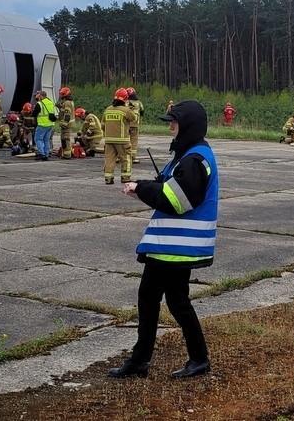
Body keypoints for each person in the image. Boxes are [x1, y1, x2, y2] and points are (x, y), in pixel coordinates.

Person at [108, 99, 217, 380]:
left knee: (168, 301)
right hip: (171, 246)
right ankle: (146, 361)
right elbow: (170, 187)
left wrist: (141, 187)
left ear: (188, 125)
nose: (170, 126)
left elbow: (176, 200)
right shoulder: (189, 155)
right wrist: (146, 187)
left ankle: (186, 359)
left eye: (174, 122)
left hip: (177, 247)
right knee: (161, 299)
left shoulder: (194, 159)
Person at [101, 88, 135, 184]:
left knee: (109, 159)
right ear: (125, 99)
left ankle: (108, 178)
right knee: (126, 159)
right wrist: (130, 108)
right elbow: (133, 118)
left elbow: (103, 125)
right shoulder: (125, 110)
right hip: (122, 140)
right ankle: (125, 177)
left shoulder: (107, 110)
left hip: (109, 140)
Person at [31, 90, 56, 160]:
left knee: (38, 139)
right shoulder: (51, 102)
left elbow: (34, 114)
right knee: (46, 140)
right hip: (50, 124)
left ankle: (42, 154)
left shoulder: (39, 104)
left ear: (41, 96)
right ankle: (46, 154)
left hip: (42, 124)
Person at [56, 86, 75, 159]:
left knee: (65, 139)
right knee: (64, 139)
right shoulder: (68, 102)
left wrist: (64, 123)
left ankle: (67, 155)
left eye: (61, 94)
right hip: (68, 124)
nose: (60, 96)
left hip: (67, 124)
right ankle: (66, 153)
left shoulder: (67, 103)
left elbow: (67, 114)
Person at [127, 87, 144, 163]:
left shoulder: (125, 102)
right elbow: (142, 112)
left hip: (126, 124)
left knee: (124, 140)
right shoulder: (139, 103)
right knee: (133, 141)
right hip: (135, 124)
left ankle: (121, 156)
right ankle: (133, 157)